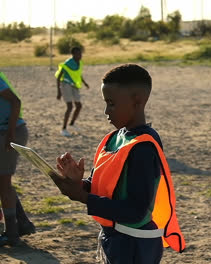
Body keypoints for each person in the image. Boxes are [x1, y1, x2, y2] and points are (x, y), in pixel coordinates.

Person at [50, 64, 185, 263]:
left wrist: (82, 196)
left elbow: (136, 211)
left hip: (135, 246)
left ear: (137, 101)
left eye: (111, 103)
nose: (106, 111)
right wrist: (79, 183)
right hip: (115, 239)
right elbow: (104, 189)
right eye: (105, 103)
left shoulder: (144, 148)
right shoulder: (112, 139)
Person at [0, 71, 36, 247]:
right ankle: (22, 223)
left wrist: (10, 133)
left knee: (4, 182)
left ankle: (12, 234)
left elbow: (16, 102)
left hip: (9, 132)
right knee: (2, 181)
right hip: (5, 131)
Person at [55, 46, 90, 137]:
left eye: (81, 53)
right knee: (70, 107)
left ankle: (72, 123)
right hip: (66, 85)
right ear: (73, 54)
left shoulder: (80, 63)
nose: (80, 55)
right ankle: (64, 129)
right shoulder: (67, 63)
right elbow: (59, 77)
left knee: (79, 106)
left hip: (74, 85)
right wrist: (59, 92)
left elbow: (78, 74)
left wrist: (85, 83)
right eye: (78, 53)